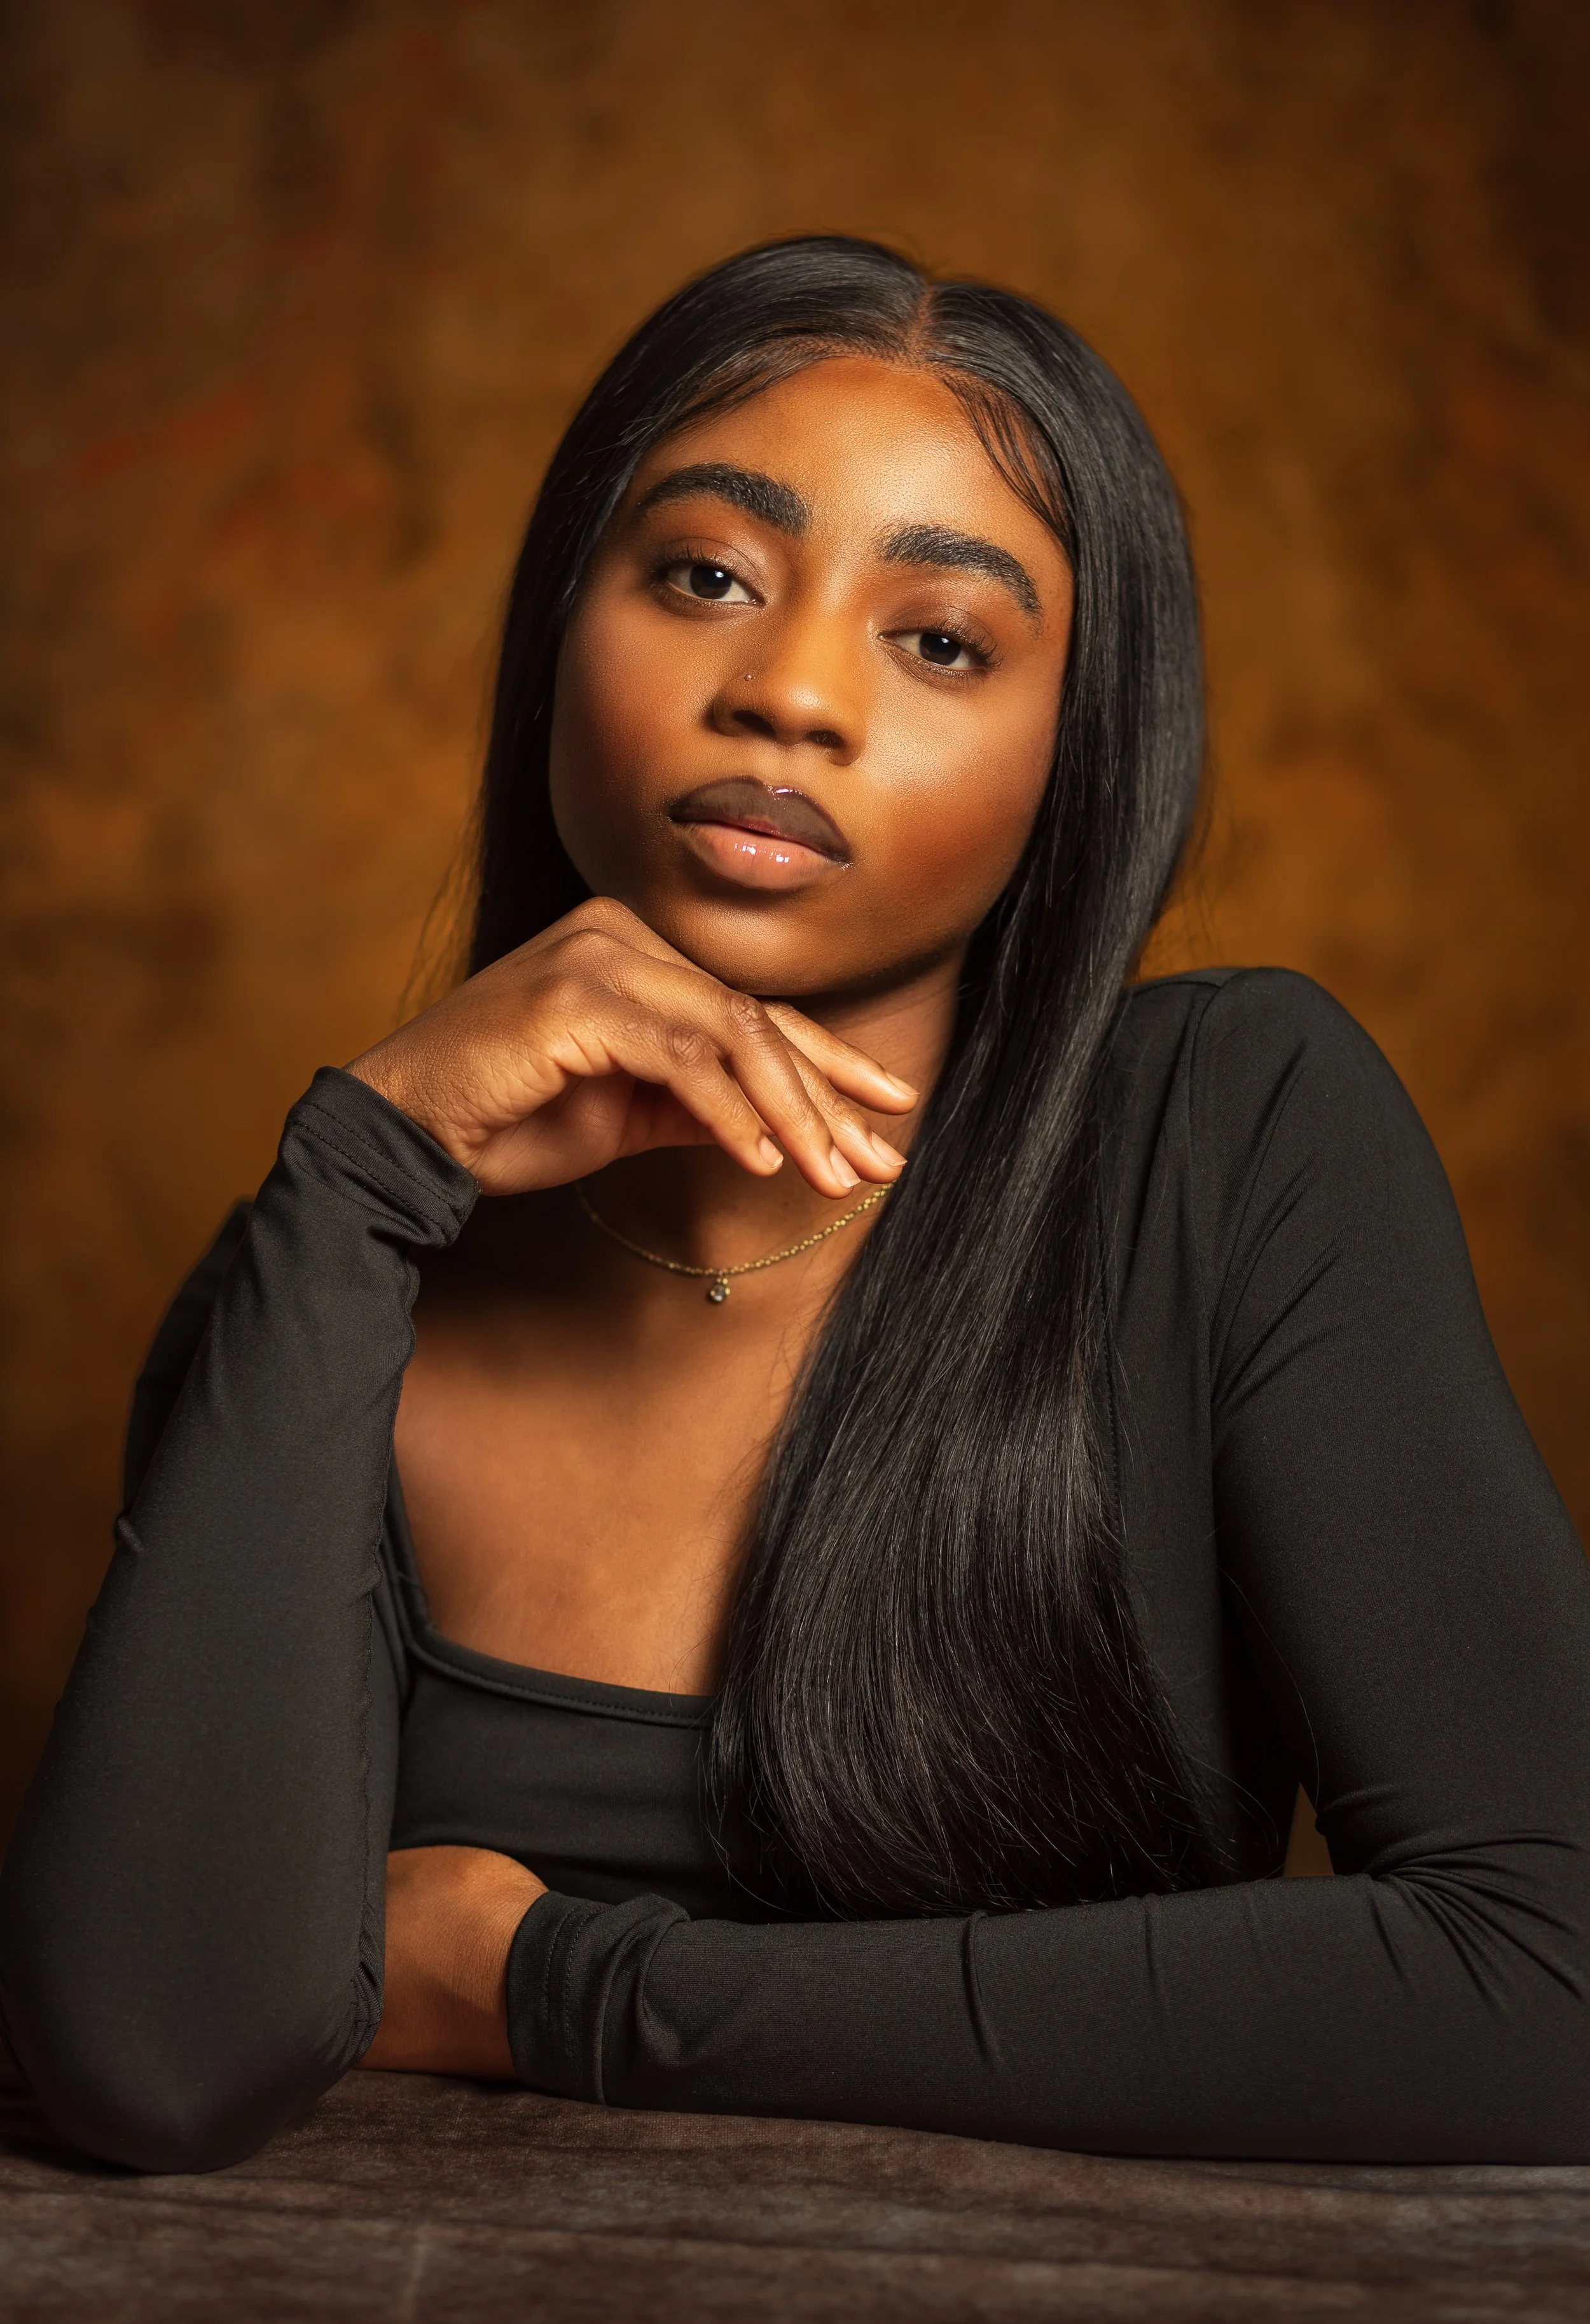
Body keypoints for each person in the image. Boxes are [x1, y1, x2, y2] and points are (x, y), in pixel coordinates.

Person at [3, 237, 1587, 2176]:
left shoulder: (1227, 1130)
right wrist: (358, 1170)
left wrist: (554, 1987)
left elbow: (1549, 1972)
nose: (789, 694)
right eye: (704, 577)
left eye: (939, 640)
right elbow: (156, 2060)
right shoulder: (337, 1268)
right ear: (558, 624)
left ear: (1070, 752)